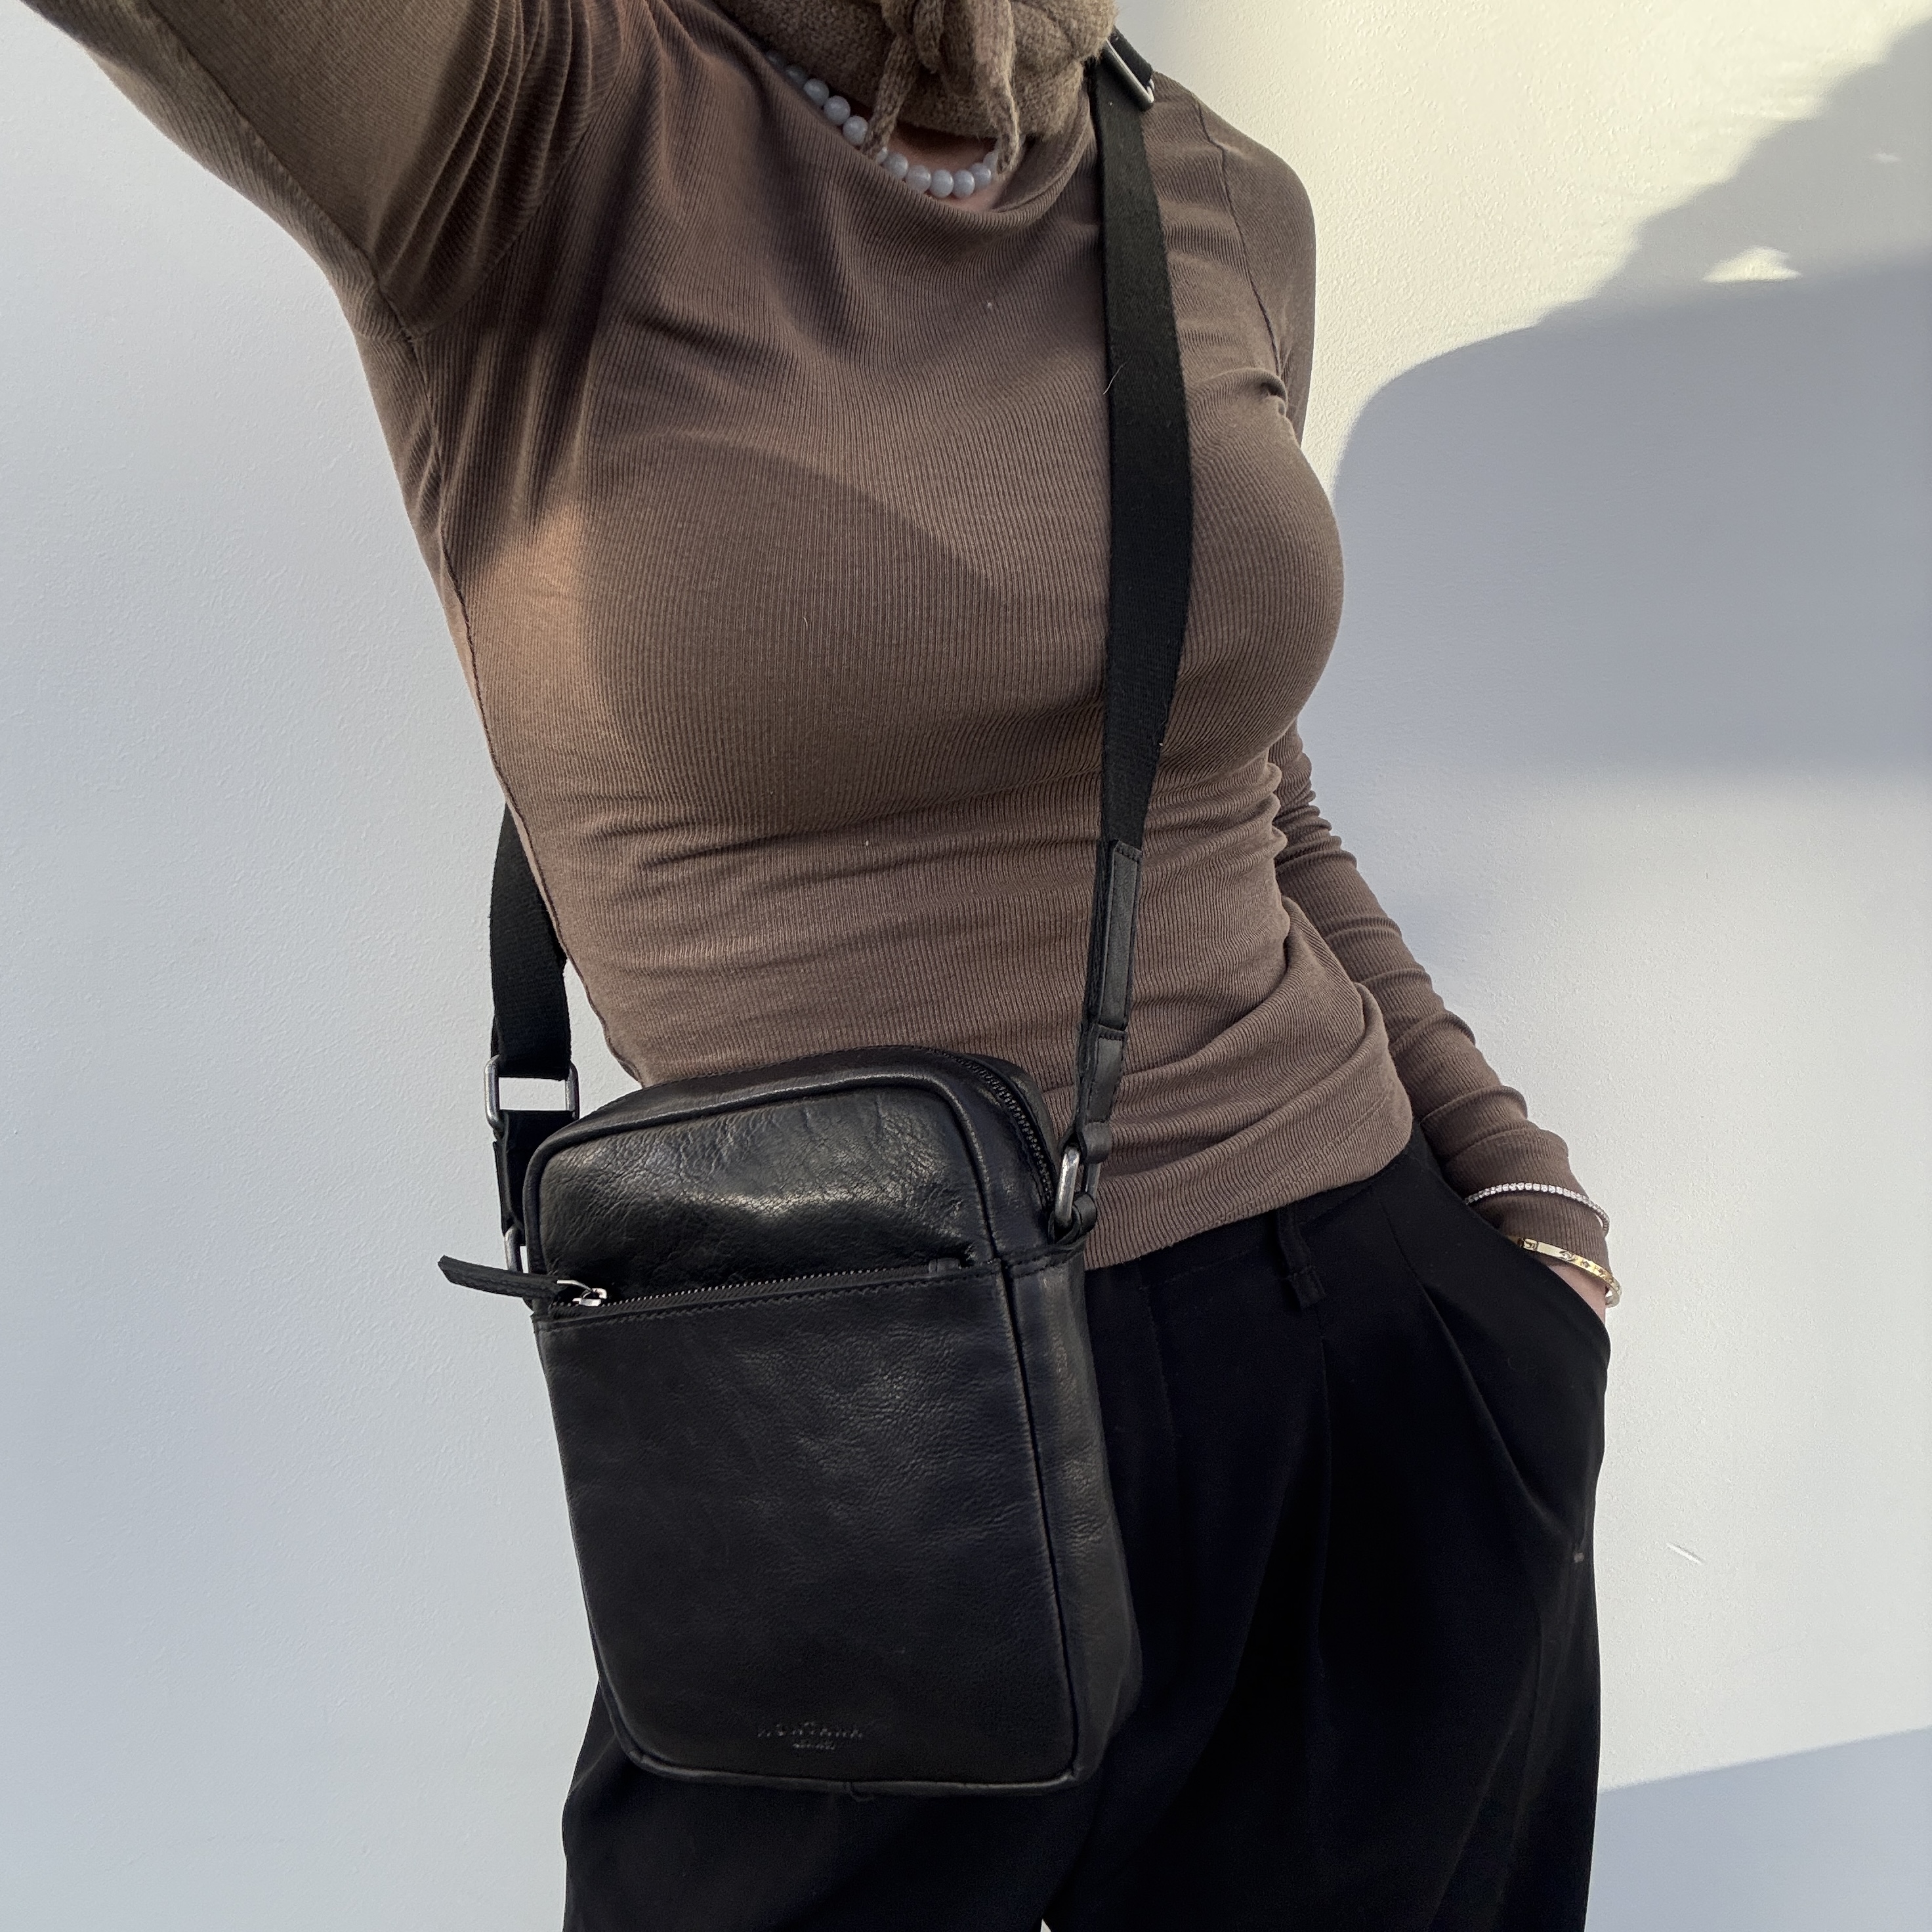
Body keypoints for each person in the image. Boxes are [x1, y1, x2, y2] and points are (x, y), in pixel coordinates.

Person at [18, 1, 1618, 1925]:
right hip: (849, 1416)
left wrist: (1504, 1177)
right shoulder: (515, 110)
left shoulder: (1208, 189)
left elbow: (1236, 784)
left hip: (1366, 1358)